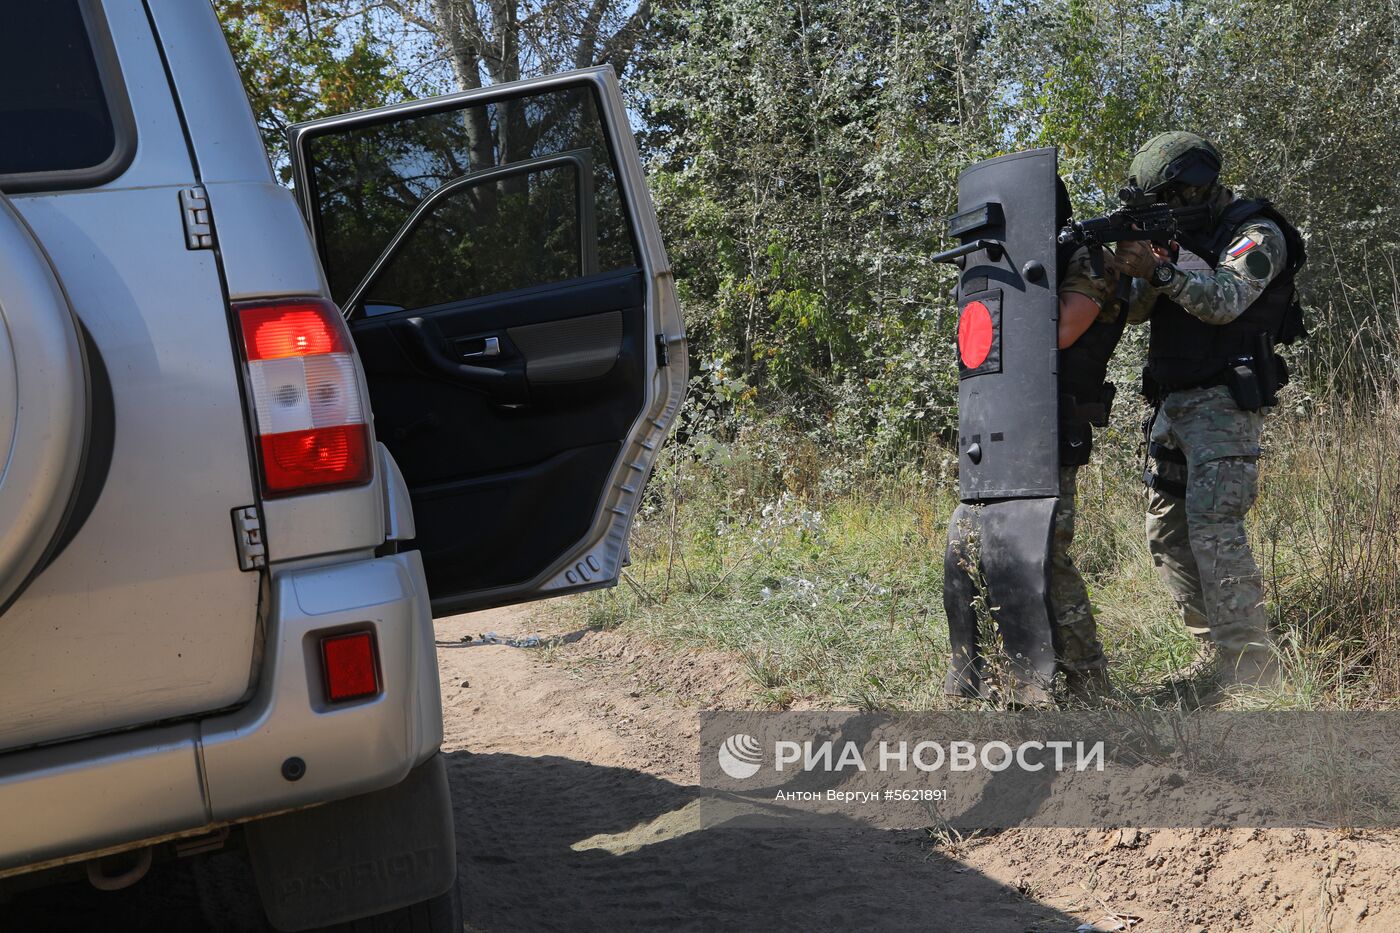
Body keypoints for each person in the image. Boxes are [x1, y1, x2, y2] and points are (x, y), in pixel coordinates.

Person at [1105, 132, 1306, 695]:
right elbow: (1142, 313)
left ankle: (1252, 669)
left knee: (1216, 533)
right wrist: (1136, 267)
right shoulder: (1178, 234)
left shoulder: (1256, 231)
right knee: (1168, 534)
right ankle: (1212, 652)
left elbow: (1224, 302)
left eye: (1167, 202)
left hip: (1224, 401)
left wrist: (1164, 271)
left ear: (1194, 187)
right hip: (1173, 402)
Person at [1052, 177, 1125, 701]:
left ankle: (1088, 681)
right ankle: (1016, 673)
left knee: (1048, 552)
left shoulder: (1085, 259)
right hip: (1005, 426)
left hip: (1056, 422)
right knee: (981, 549)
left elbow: (1059, 331)